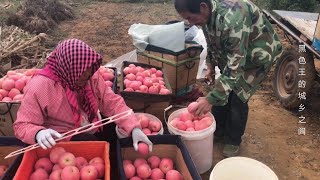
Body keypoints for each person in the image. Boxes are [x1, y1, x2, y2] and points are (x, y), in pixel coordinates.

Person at [174, 0, 283, 157]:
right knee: (224, 89)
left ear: (203, 7)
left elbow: (235, 67)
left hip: (258, 56)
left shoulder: (233, 19)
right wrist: (210, 66)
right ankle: (219, 129)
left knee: (238, 95)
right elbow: (211, 43)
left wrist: (210, 99)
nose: (190, 23)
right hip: (236, 54)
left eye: (190, 17)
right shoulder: (206, 17)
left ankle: (233, 140)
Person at [13, 39, 152, 153]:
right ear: (67, 69)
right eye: (82, 73)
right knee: (92, 145)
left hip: (91, 122)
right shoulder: (40, 87)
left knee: (113, 132)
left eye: (89, 71)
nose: (87, 76)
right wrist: (38, 133)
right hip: (62, 136)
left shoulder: (90, 75)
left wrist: (134, 127)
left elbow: (111, 101)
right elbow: (22, 125)